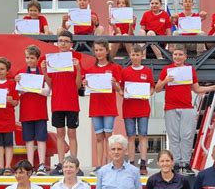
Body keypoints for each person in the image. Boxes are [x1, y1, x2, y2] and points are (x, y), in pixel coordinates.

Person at [155, 44, 215, 175]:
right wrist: (165, 80)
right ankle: (176, 163)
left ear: (185, 56)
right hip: (171, 107)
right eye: (175, 54)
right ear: (172, 56)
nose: (177, 57)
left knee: (187, 136)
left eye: (180, 54)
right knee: (174, 136)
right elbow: (157, 89)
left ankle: (186, 163)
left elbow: (197, 89)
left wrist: (213, 87)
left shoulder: (190, 69)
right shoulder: (166, 69)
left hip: (187, 107)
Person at [41, 30, 83, 176]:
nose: (63, 43)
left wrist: (78, 69)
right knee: (60, 133)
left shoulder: (76, 58)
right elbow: (50, 83)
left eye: (66, 41)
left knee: (72, 132)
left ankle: (74, 163)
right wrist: (44, 71)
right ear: (57, 43)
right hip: (57, 102)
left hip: (72, 102)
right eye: (60, 41)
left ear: (71, 44)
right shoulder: (52, 60)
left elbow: (78, 86)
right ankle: (61, 163)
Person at [82, 38, 122, 176]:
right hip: (95, 107)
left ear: (107, 50)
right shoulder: (90, 70)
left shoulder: (114, 68)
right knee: (98, 137)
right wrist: (85, 84)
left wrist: (114, 83)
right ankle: (99, 165)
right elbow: (86, 89)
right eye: (96, 50)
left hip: (109, 107)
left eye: (101, 50)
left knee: (109, 136)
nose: (98, 53)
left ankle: (109, 165)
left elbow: (119, 89)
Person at [119, 44, 155, 175]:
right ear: (130, 56)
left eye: (137, 55)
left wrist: (147, 94)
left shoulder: (147, 71)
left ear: (142, 56)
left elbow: (152, 88)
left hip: (143, 108)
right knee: (131, 136)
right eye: (133, 55)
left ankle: (143, 164)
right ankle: (132, 163)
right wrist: (121, 92)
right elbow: (121, 89)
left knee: (143, 135)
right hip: (128, 107)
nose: (135, 57)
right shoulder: (125, 71)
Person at [15, 45, 50, 175]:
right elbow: (19, 91)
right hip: (26, 111)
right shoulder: (21, 73)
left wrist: (31, 88)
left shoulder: (43, 72)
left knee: (41, 138)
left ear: (37, 58)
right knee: (28, 139)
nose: (29, 60)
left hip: (40, 111)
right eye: (27, 57)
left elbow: (46, 91)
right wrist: (19, 82)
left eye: (32, 57)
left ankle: (41, 164)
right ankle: (29, 165)